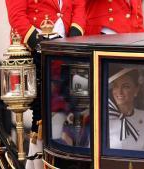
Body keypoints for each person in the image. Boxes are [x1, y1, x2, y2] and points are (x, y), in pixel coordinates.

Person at [5, 1, 86, 168]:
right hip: (36, 51)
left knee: (68, 112)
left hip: (67, 51)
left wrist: (73, 39)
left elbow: (79, 7)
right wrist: (41, 45)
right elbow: (17, 15)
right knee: (41, 116)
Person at [108, 67, 144, 151]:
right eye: (115, 86)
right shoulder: (103, 117)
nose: (119, 92)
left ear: (136, 90)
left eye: (125, 87)